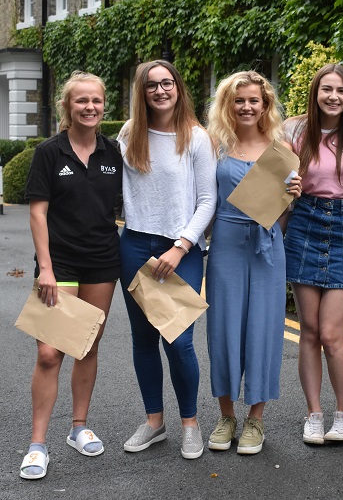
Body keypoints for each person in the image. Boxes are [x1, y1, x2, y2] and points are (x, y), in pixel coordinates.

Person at [20, 71, 122, 480]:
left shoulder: (114, 152)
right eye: (81, 101)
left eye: (96, 100)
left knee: (87, 345)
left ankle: (78, 427)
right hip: (58, 265)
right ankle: (37, 444)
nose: (90, 107)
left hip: (102, 261)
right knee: (49, 354)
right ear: (68, 106)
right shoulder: (49, 152)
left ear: (104, 105)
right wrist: (45, 267)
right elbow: (37, 212)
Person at [118, 60, 217, 460]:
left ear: (178, 87)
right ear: (141, 92)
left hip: (182, 250)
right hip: (136, 245)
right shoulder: (129, 133)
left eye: (167, 83)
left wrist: (181, 246)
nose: (161, 90)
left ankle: (190, 424)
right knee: (143, 339)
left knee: (179, 341)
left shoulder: (195, 137)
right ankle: (154, 422)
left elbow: (208, 200)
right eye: (152, 85)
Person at [205, 71, 301, 455]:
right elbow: (203, 199)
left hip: (267, 244)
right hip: (226, 242)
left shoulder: (282, 148)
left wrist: (292, 196)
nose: (246, 107)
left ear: (265, 106)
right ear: (228, 104)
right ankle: (226, 415)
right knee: (224, 328)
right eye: (239, 100)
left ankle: (256, 419)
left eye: (253, 101)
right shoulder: (214, 146)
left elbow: (282, 216)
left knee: (263, 329)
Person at [284, 64, 343, 444]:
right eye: (326, 90)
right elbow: (274, 175)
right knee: (309, 330)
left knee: (333, 333)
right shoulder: (294, 130)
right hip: (304, 221)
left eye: (340, 90)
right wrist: (286, 186)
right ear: (315, 93)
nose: (333, 96)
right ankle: (314, 414)